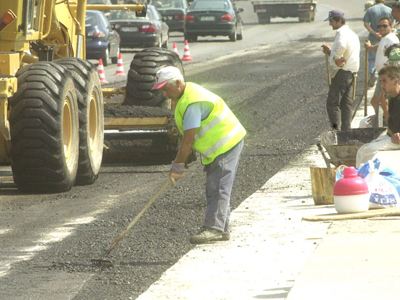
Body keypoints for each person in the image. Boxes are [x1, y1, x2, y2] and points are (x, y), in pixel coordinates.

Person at [152, 66, 246, 244]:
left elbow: (188, 139)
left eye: (166, 89)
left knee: (218, 186)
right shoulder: (186, 94)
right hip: (219, 146)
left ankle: (215, 229)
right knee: (215, 185)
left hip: (226, 143)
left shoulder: (192, 103)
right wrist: (185, 158)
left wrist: (178, 166)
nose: (164, 94)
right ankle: (220, 227)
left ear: (178, 83)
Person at [321, 10, 360, 131]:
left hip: (342, 73)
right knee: (346, 104)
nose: (330, 24)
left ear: (338, 20)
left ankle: (335, 131)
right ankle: (346, 131)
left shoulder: (341, 34)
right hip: (352, 73)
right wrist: (332, 53)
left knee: (332, 103)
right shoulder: (353, 34)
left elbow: (341, 47)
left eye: (331, 21)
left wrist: (334, 55)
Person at [356, 64, 400, 166]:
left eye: (384, 81)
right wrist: (384, 106)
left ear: (396, 81)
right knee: (364, 147)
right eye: (380, 81)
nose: (382, 85)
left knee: (364, 151)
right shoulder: (392, 97)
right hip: (390, 136)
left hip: (396, 140)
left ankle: (361, 179)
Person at [365, 17, 399, 125]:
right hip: (384, 76)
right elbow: (381, 46)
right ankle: (384, 121)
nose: (382, 28)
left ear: (391, 26)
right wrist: (370, 47)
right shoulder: (385, 38)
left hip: (388, 77)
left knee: (381, 101)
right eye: (379, 26)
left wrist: (389, 73)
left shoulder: (391, 39)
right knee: (378, 101)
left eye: (385, 26)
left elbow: (396, 57)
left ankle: (387, 122)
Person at [364, 0, 392, 85]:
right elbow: (392, 23)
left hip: (373, 37)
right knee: (385, 57)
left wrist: (374, 33)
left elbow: (366, 23)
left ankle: (373, 74)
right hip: (386, 35)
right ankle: (384, 76)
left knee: (372, 58)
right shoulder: (389, 10)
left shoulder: (370, 10)